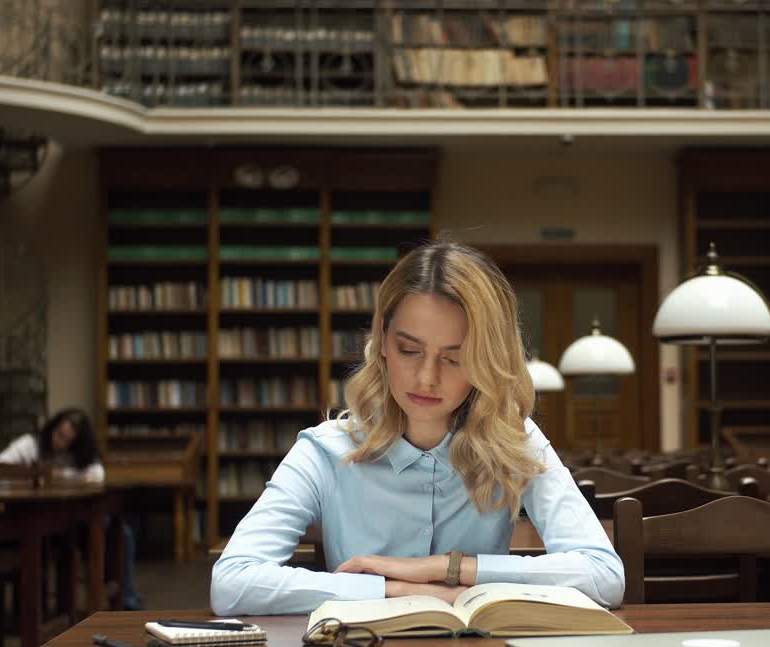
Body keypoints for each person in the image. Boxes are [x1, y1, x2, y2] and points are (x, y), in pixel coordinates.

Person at [211, 242, 624, 616]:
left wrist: (448, 569)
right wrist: (391, 590)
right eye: (409, 350)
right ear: (383, 342)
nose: (426, 378)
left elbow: (604, 575)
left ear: (486, 361)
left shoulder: (515, 440)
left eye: (454, 358)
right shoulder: (324, 450)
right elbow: (232, 583)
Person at [0, 407, 144, 610]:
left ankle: (126, 598)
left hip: (76, 522)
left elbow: (96, 475)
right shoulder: (32, 444)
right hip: (37, 521)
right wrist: (33, 476)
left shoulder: (81, 456)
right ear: (52, 428)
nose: (59, 442)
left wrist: (62, 475)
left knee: (121, 534)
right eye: (58, 434)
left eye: (67, 440)